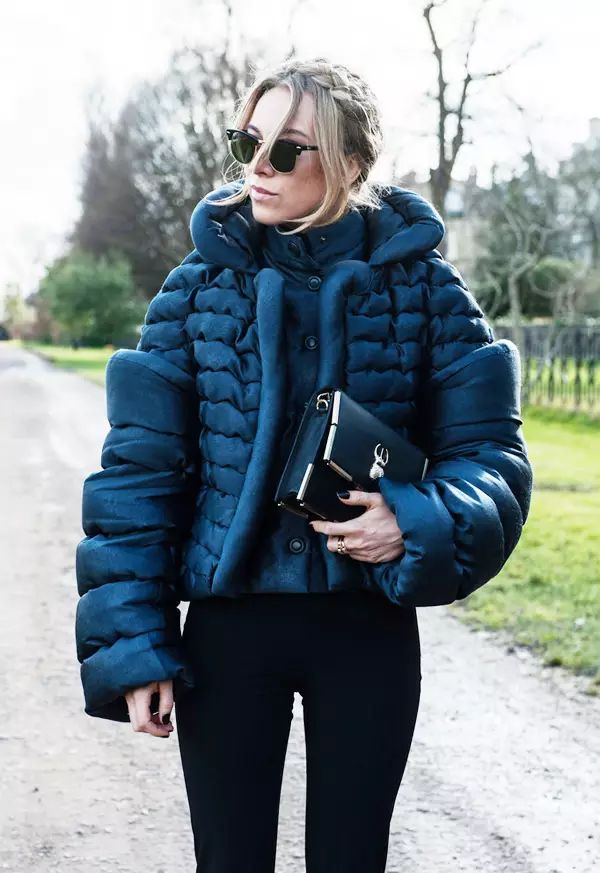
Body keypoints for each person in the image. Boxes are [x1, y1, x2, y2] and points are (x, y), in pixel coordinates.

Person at [74, 56, 533, 872]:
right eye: (246, 142)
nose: (258, 166)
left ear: (350, 162)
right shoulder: (194, 289)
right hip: (228, 635)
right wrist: (136, 644)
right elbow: (137, 478)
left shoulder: (429, 291)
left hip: (366, 632)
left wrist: (415, 518)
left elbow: (491, 457)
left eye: (287, 149)